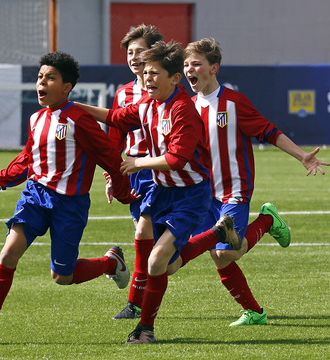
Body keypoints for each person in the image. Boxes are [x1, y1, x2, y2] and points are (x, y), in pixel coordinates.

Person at [0, 51, 138, 346]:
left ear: (67, 87)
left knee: (62, 277)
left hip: (69, 205)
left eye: (50, 77)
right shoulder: (36, 118)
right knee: (8, 254)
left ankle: (110, 263)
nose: (41, 82)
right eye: (40, 76)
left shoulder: (80, 120)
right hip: (35, 197)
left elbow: (109, 157)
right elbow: (26, 160)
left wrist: (123, 193)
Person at [77, 41, 241, 344]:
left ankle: (145, 329)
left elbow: (178, 158)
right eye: (146, 73)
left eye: (155, 73)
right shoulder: (148, 106)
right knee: (166, 260)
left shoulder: (183, 110)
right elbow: (114, 117)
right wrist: (73, 107)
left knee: (156, 263)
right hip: (162, 192)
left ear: (175, 78)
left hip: (189, 196)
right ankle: (217, 233)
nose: (147, 78)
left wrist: (137, 163)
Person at [167, 38, 329, 326]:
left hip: (234, 189)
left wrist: (302, 156)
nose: (189, 69)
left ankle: (267, 221)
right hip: (202, 195)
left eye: (196, 64)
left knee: (227, 251)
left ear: (213, 68)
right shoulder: (187, 107)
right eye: (186, 64)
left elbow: (269, 132)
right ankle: (255, 312)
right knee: (220, 256)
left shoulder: (234, 103)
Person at [106, 24, 164, 320]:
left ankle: (136, 303)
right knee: (154, 243)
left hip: (162, 169)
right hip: (134, 171)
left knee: (146, 233)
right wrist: (111, 175)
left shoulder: (166, 89)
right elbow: (114, 138)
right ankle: (142, 298)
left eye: (140, 51)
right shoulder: (123, 94)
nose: (134, 57)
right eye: (130, 52)